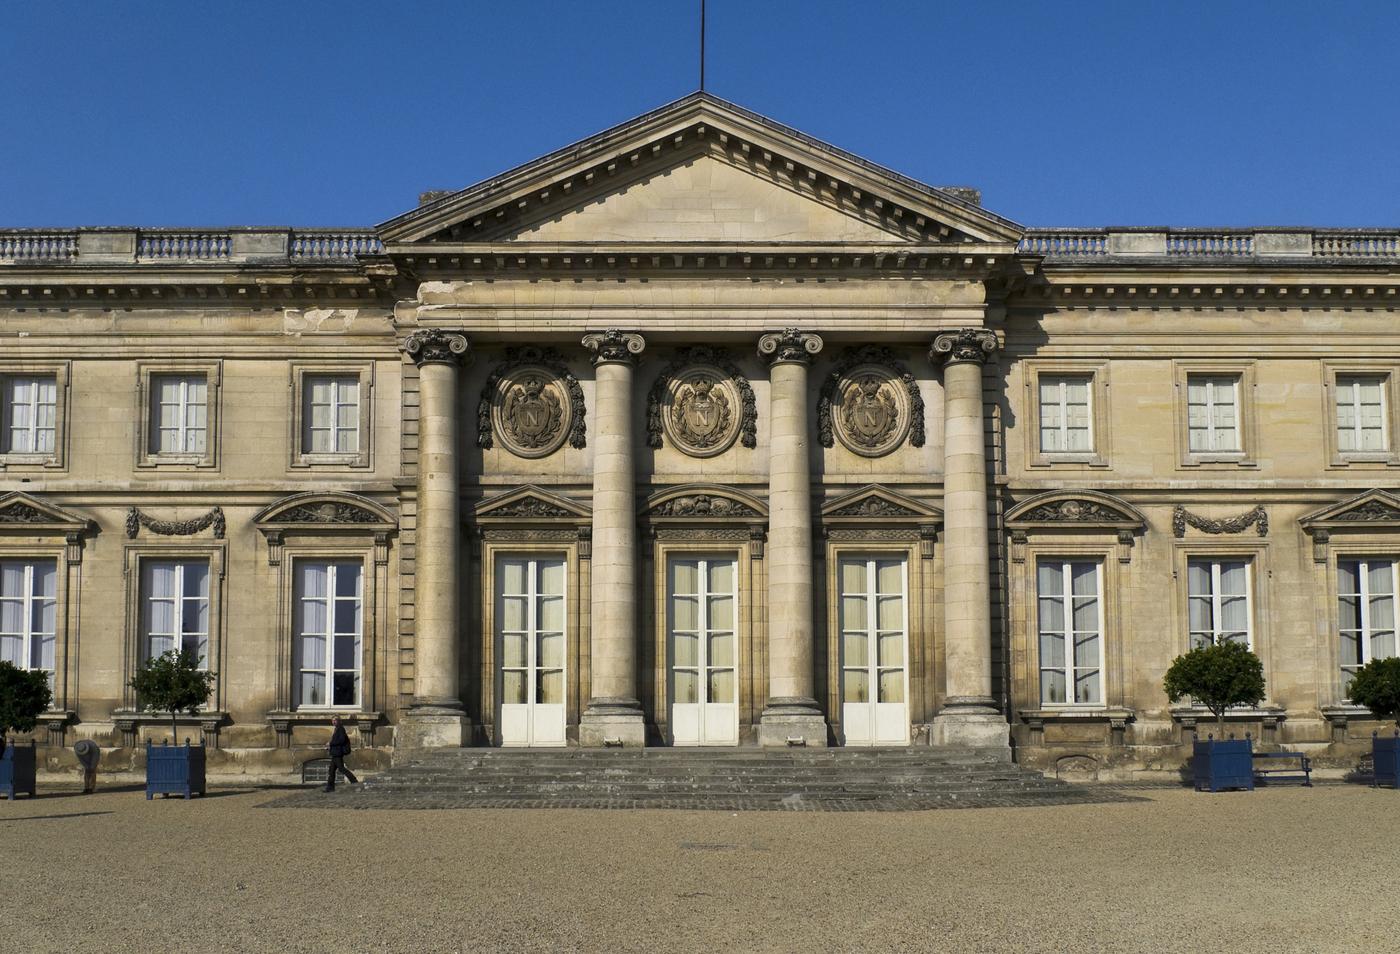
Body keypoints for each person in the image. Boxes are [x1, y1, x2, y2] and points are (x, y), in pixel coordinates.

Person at [324, 716, 358, 792]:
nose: (333, 722)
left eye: (335, 720)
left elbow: (341, 740)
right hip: (335, 753)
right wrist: (330, 747)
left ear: (339, 721)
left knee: (341, 768)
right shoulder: (337, 729)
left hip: (338, 753)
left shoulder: (341, 729)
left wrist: (331, 743)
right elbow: (338, 741)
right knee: (332, 770)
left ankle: (354, 781)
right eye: (332, 720)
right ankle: (330, 787)